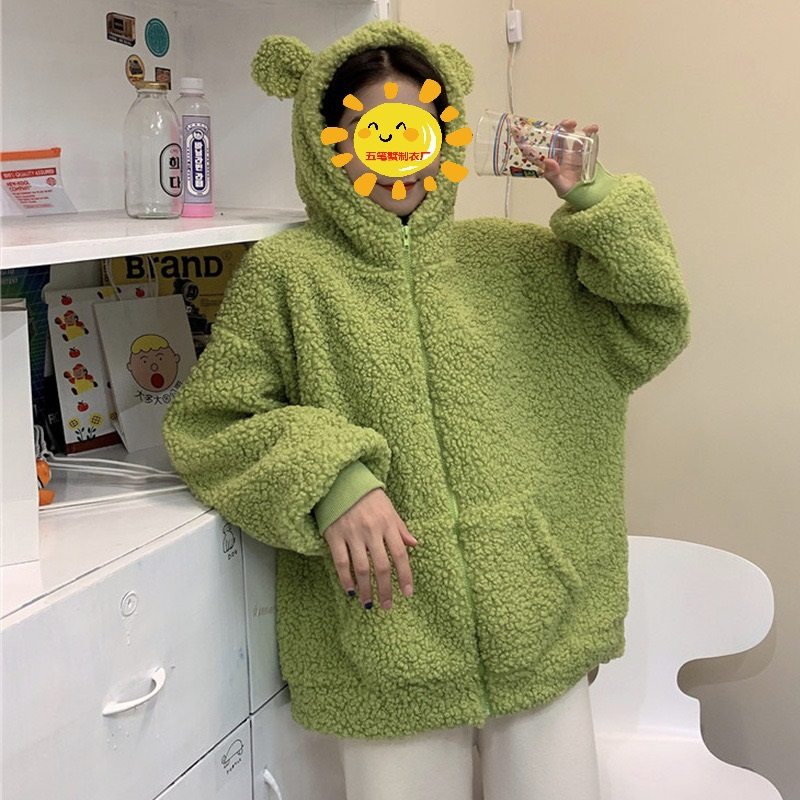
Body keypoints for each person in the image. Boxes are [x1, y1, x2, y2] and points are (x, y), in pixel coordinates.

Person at [162, 20, 691, 800]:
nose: (399, 156)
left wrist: (596, 198)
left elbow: (650, 320)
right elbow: (211, 425)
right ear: (326, 143)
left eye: (416, 129)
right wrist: (332, 477)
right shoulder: (288, 275)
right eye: (372, 132)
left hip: (536, 633)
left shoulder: (514, 261)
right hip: (386, 642)